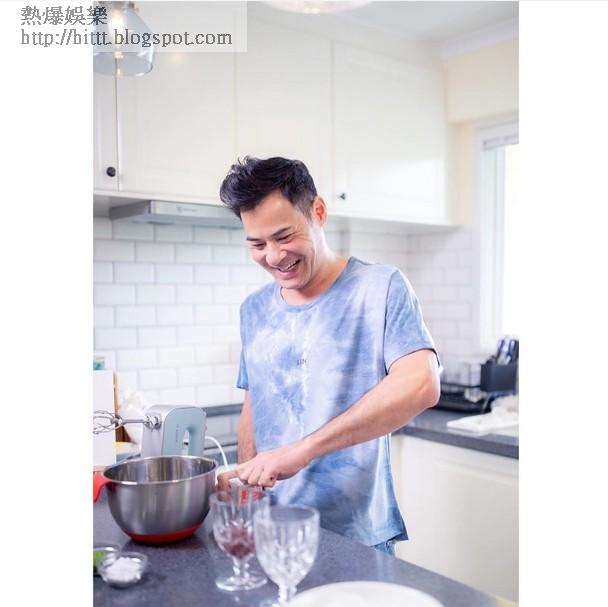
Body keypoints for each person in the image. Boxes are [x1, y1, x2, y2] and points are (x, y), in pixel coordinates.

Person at [217, 157, 440, 555]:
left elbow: (421, 383)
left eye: (284, 236)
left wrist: (301, 451)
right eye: (257, 244)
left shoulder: (379, 288)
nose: (273, 256)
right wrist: (246, 488)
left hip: (356, 536)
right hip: (272, 529)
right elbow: (255, 403)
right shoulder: (254, 309)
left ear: (318, 212)